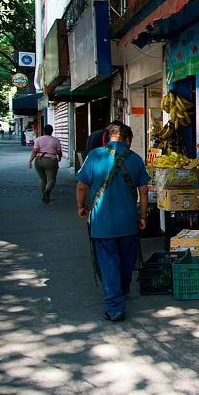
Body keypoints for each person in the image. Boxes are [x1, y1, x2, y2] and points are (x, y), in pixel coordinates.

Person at [76, 123, 150, 322]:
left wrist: (81, 207)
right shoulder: (135, 159)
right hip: (128, 221)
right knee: (126, 262)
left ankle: (115, 307)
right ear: (128, 139)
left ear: (109, 137)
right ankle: (121, 291)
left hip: (102, 222)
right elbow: (144, 192)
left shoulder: (94, 156)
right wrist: (143, 216)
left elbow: (82, 186)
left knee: (108, 264)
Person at [28, 124, 63, 203]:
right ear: (52, 131)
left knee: (42, 179)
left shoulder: (38, 139)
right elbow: (59, 152)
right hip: (51, 160)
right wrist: (59, 158)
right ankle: (47, 192)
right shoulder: (56, 140)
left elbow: (35, 151)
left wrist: (30, 161)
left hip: (39, 159)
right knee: (51, 180)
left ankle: (44, 195)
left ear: (43, 131)